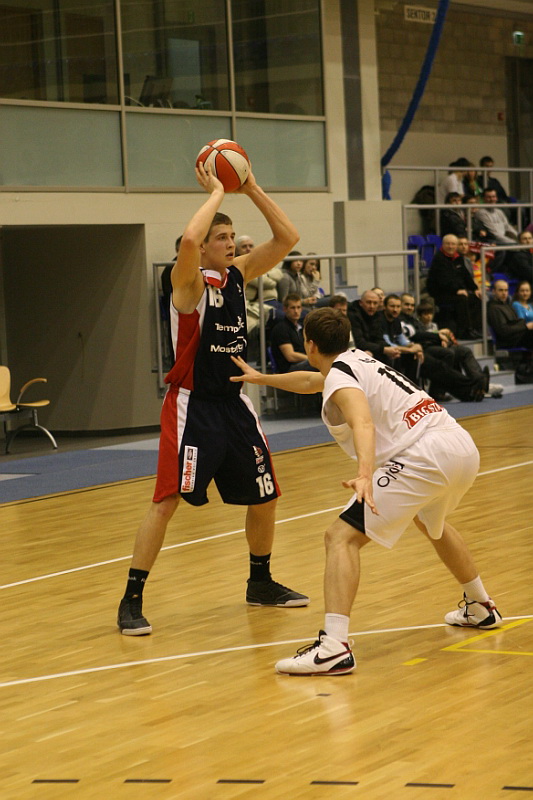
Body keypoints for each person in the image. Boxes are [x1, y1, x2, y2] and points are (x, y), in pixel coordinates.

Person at [230, 307, 502, 675]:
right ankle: (481, 606)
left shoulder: (342, 376)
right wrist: (261, 378)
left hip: (424, 455)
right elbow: (312, 381)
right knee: (430, 523)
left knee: (340, 537)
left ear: (309, 345)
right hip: (459, 446)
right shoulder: (355, 359)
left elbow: (362, 421)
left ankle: (334, 647)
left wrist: (364, 474)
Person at [117, 162, 309, 635]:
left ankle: (260, 583)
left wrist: (252, 186)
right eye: (221, 237)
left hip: (235, 403)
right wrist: (217, 192)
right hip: (192, 405)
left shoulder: (238, 275)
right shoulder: (186, 283)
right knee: (167, 501)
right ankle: (131, 598)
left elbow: (288, 237)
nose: (231, 243)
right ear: (202, 248)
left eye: (232, 236)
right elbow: (187, 240)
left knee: (265, 495)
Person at [415, 298, 503, 398]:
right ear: (419, 315)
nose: (429, 316)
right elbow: (421, 337)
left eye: (430, 313)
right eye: (425, 314)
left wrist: (443, 340)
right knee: (449, 353)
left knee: (464, 351)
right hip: (428, 350)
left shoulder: (434, 325)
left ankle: (479, 380)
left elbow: (439, 338)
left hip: (440, 347)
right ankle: (440, 392)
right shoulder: (417, 325)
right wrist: (438, 336)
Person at [426, 234, 482, 339]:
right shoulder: (439, 259)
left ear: (456, 246)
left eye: (453, 244)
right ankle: (464, 332)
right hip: (441, 294)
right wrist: (456, 290)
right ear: (443, 245)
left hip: (455, 291)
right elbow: (443, 281)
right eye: (448, 244)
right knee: (462, 299)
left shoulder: (458, 258)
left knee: (476, 298)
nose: (450, 246)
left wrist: (475, 289)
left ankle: (476, 329)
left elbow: (466, 275)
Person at [347, 290, 400, 365]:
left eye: (375, 303)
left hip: (370, 348)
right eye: (368, 302)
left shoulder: (377, 316)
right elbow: (359, 342)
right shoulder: (353, 315)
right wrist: (383, 349)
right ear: (361, 303)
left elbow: (378, 338)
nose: (372, 306)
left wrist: (389, 348)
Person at [379, 294, 424, 383]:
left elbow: (402, 340)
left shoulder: (396, 320)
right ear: (385, 307)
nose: (395, 310)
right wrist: (410, 350)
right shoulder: (380, 320)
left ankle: (411, 386)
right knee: (396, 355)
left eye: (398, 307)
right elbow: (387, 344)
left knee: (414, 356)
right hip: (381, 351)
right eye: (392, 306)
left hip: (393, 350)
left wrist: (415, 347)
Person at [270, 293, 316, 372]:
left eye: (298, 307)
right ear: (285, 309)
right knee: (318, 364)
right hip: (289, 369)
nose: (296, 311)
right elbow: (290, 356)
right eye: (292, 308)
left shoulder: (301, 326)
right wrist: (311, 359)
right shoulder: (281, 329)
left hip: (303, 363)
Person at [487, 279, 533, 349]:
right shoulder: (494, 308)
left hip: (517, 336)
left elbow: (516, 322)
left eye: (506, 290)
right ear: (493, 292)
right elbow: (503, 330)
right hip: (509, 340)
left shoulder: (507, 305)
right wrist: (525, 326)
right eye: (501, 290)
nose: (504, 293)